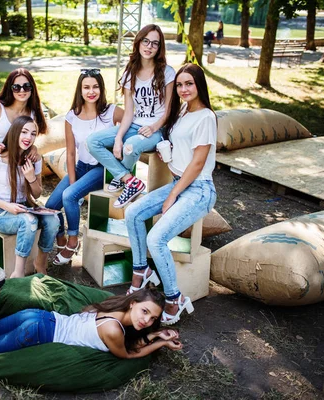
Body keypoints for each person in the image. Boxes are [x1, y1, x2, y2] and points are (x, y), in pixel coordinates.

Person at [0, 265, 184, 361]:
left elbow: (136, 339)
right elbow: (129, 354)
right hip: (37, 332)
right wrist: (159, 343)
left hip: (39, 316)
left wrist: (156, 335)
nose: (146, 320)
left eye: (152, 319)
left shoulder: (113, 307)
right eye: (145, 312)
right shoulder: (113, 330)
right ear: (133, 303)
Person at [124, 63, 217, 325]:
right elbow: (181, 153)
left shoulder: (206, 117)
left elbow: (198, 163)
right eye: (179, 84)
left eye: (189, 83)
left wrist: (172, 195)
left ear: (199, 85)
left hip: (199, 189)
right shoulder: (184, 111)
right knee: (132, 213)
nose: (183, 89)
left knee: (157, 239)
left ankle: (174, 298)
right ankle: (141, 270)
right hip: (181, 181)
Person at [87, 24, 175, 209]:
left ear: (159, 48)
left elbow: (169, 110)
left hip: (156, 130)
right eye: (146, 41)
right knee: (93, 141)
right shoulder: (130, 73)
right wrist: (118, 137)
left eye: (155, 43)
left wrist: (153, 127)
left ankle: (122, 178)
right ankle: (129, 180)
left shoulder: (167, 72)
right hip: (134, 125)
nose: (149, 46)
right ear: (139, 42)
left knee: (131, 146)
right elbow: (128, 112)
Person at [0, 69, 47, 273]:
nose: (22, 90)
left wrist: (35, 149)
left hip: (10, 168)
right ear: (10, 88)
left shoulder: (31, 112)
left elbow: (30, 137)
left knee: (7, 202)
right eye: (17, 86)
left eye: (26, 86)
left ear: (32, 89)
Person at [44, 68, 124, 264]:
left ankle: (73, 241)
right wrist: (73, 182)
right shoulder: (71, 116)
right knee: (50, 206)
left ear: (101, 89)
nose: (91, 91)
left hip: (102, 169)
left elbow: (132, 123)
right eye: (86, 87)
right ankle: (60, 237)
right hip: (81, 166)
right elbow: (71, 153)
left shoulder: (112, 112)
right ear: (80, 90)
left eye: (95, 86)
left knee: (69, 196)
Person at [0, 116, 58, 278]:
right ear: (15, 132)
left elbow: (37, 193)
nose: (28, 138)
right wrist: (8, 206)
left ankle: (41, 263)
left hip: (26, 207)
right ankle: (18, 272)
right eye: (24, 132)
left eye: (32, 134)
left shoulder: (33, 160)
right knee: (28, 221)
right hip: (1, 213)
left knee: (53, 220)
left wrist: (31, 177)